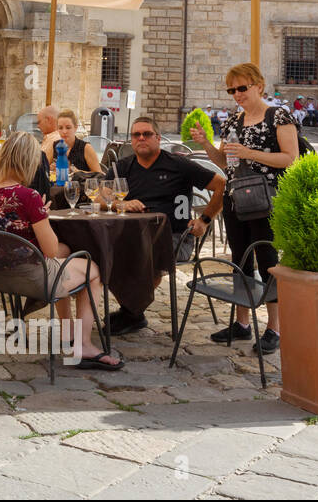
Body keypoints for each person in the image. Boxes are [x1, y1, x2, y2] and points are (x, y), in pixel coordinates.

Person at [0, 132, 122, 370]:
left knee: (68, 250)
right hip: (29, 275)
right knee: (93, 269)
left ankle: (66, 332)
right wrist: (40, 215)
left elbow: (1, 223)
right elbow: (51, 250)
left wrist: (32, 219)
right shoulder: (28, 196)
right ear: (27, 161)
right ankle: (83, 345)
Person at [192, 62, 297, 355]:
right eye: (232, 89)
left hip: (266, 200)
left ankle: (274, 328)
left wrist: (251, 153)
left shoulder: (278, 116)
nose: (236, 94)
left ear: (258, 85)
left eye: (242, 88)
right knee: (239, 259)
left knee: (267, 260)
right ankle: (242, 324)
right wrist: (206, 145)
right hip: (236, 198)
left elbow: (291, 158)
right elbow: (225, 163)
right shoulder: (232, 121)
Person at [104, 115, 226, 335]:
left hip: (176, 236)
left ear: (158, 138)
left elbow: (221, 186)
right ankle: (133, 311)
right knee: (103, 252)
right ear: (131, 140)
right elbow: (99, 198)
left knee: (147, 253)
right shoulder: (122, 167)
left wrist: (204, 220)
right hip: (133, 234)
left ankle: (131, 312)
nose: (141, 138)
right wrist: (118, 204)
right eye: (136, 135)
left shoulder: (178, 165)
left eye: (147, 134)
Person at [45, 109, 102, 174]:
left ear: (75, 128)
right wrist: (50, 168)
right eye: (60, 128)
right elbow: (44, 169)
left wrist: (77, 171)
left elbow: (100, 174)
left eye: (68, 128)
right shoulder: (55, 146)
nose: (64, 131)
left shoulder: (86, 148)